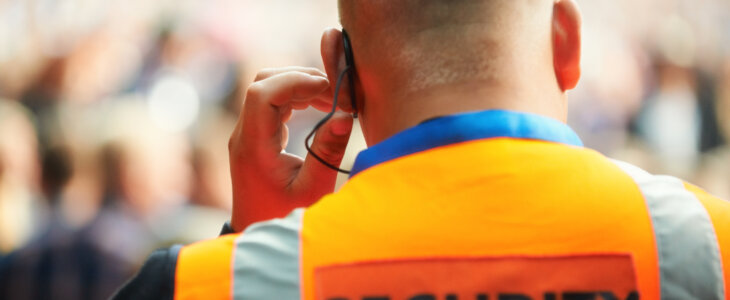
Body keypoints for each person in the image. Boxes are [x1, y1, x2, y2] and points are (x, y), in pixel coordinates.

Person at [114, 1, 730, 299]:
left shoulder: (201, 285)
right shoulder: (710, 246)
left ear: (341, 74)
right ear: (566, 40)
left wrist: (257, 237)